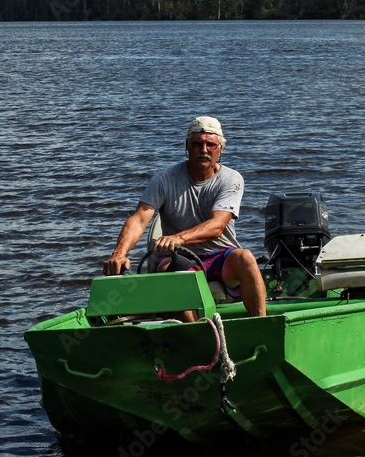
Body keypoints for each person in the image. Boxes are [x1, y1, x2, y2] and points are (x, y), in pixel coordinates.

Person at [102, 116, 266, 318]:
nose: (204, 150)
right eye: (197, 144)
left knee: (246, 257)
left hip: (220, 257)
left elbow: (217, 225)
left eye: (210, 145)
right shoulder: (163, 179)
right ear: (187, 146)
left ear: (220, 149)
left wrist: (178, 238)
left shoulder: (231, 179)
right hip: (179, 257)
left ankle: (262, 323)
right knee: (170, 270)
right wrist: (119, 253)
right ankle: (196, 333)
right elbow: (139, 219)